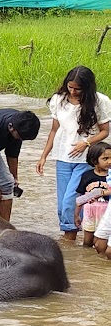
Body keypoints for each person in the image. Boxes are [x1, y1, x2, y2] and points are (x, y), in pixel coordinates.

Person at [35, 65, 109, 240]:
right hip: (62, 157)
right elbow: (54, 130)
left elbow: (105, 131)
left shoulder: (99, 101)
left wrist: (86, 143)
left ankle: (71, 240)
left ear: (87, 88)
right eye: (70, 87)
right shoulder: (58, 99)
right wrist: (43, 156)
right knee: (62, 205)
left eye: (78, 89)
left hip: (86, 159)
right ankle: (72, 242)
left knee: (71, 201)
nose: (73, 92)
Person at [73, 141, 111, 255]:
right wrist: (77, 215)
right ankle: (86, 259)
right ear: (94, 161)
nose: (109, 161)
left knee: (100, 240)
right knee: (88, 240)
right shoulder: (87, 176)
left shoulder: (110, 177)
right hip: (89, 212)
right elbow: (81, 197)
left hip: (106, 213)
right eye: (105, 158)